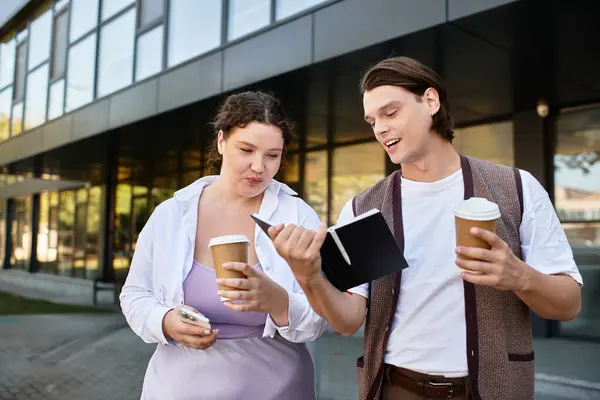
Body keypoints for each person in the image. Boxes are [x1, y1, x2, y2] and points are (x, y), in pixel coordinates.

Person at [269, 57, 583, 400]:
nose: (379, 129)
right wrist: (309, 276)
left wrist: (518, 276)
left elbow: (568, 305)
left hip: (492, 389)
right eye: (372, 120)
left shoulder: (516, 189)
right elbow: (347, 322)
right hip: (395, 389)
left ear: (431, 101)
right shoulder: (363, 209)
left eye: (390, 113)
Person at [120, 91, 327, 400]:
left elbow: (320, 319)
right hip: (178, 389)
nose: (260, 166)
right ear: (221, 142)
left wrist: (278, 302)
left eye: (273, 155)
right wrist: (163, 321)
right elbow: (134, 294)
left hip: (278, 388)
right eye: (247, 150)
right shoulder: (172, 214)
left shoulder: (297, 216)